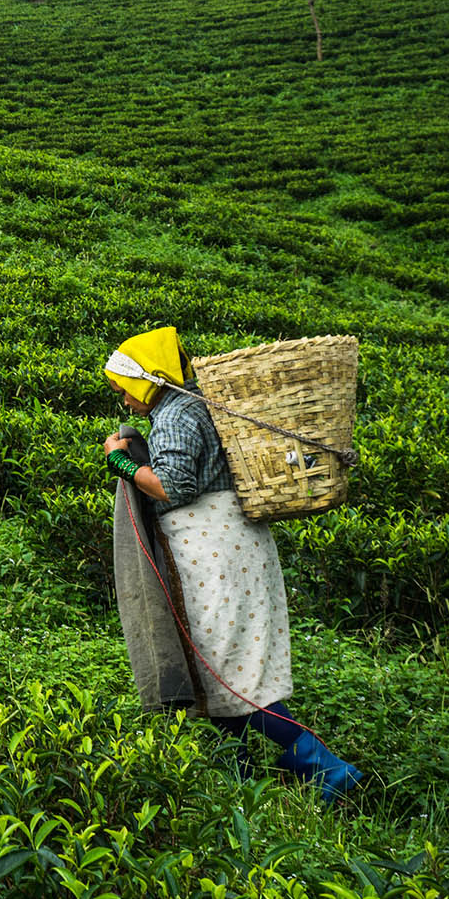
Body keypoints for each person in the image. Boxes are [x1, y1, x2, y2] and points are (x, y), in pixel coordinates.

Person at [101, 326, 361, 800]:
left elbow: (172, 487)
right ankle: (238, 782)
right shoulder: (194, 406)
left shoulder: (178, 416)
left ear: (146, 379)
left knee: (226, 670)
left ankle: (328, 772)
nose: (123, 403)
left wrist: (119, 461)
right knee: (223, 667)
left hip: (212, 553)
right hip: (229, 547)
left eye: (123, 391)